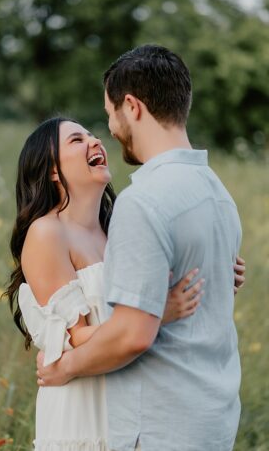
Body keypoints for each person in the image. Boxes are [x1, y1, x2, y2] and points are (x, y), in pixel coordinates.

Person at [36, 45, 244, 450]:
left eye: (110, 113)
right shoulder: (217, 193)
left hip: (160, 424)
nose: (109, 129)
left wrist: (64, 368)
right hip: (212, 416)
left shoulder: (142, 201)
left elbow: (133, 335)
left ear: (131, 106)